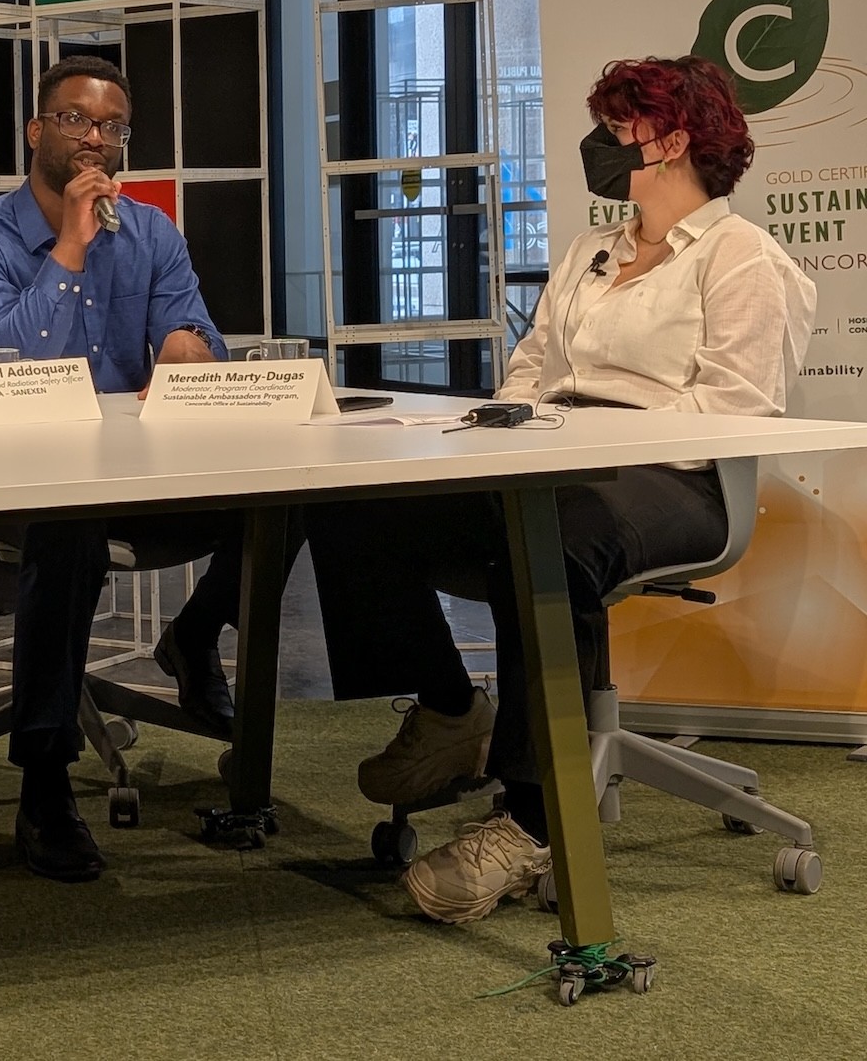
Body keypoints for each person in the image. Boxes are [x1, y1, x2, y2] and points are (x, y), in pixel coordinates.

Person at [307, 55, 815, 924]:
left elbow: (732, 408)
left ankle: (534, 820)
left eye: (617, 128)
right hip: (552, 459)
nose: (600, 144)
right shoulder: (593, 250)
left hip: (679, 479)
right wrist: (512, 432)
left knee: (555, 540)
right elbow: (532, 365)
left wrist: (585, 441)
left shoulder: (743, 258)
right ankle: (449, 708)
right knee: (358, 506)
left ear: (672, 142)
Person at [0, 53, 261, 882]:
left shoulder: (150, 232)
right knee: (68, 524)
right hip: (13, 477)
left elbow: (199, 334)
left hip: (131, 473)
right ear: (36, 131)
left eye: (112, 127)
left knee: (283, 498)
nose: (94, 138)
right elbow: (6, 354)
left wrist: (189, 348)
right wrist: (72, 248)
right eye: (76, 119)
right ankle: (44, 780)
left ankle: (194, 636)